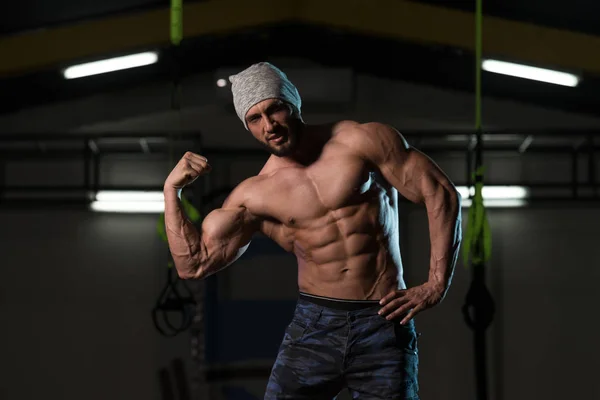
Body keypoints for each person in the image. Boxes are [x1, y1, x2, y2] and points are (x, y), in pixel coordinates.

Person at [163, 62, 462, 400]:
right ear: (246, 126)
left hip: (383, 319)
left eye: (275, 109)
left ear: (293, 103)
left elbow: (441, 193)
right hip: (315, 325)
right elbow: (194, 264)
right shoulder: (255, 194)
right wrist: (171, 191)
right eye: (255, 119)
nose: (269, 125)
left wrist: (437, 284)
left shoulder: (361, 141)